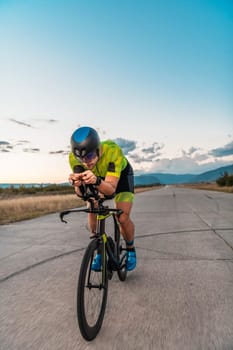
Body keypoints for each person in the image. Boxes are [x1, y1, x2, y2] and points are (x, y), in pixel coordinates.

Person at [68, 126, 137, 271]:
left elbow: (111, 190)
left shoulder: (112, 151)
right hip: (97, 177)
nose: (86, 162)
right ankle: (98, 246)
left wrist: (97, 182)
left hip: (121, 177)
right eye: (80, 158)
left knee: (122, 218)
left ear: (99, 149)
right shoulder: (74, 159)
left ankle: (130, 249)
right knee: (92, 205)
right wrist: (77, 184)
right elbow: (81, 194)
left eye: (90, 156)